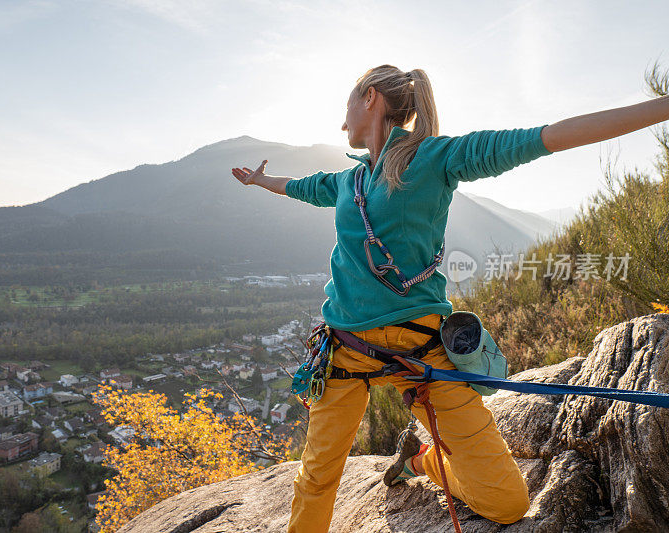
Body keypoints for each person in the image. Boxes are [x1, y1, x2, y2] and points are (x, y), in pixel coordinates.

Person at [231, 64, 669, 533]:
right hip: (345, 352)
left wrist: (662, 106)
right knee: (316, 480)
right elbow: (298, 188)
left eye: (347, 108)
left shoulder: (437, 158)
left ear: (371, 98)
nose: (343, 123)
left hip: (424, 354)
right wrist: (261, 182)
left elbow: (545, 137)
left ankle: (422, 462)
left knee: (508, 503)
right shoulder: (345, 181)